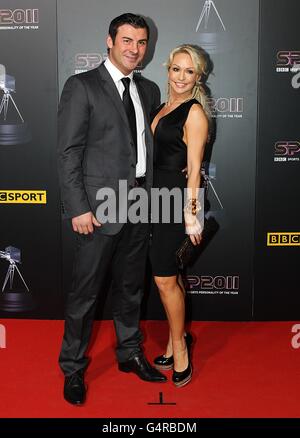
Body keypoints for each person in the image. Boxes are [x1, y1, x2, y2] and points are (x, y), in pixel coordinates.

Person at [57, 13, 166, 406]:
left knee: (130, 288)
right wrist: (78, 208)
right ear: (109, 41)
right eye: (127, 41)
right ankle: (72, 367)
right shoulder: (82, 86)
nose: (134, 49)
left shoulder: (149, 90)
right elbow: (69, 152)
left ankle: (129, 352)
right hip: (98, 208)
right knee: (85, 294)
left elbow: (149, 147)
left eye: (141, 42)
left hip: (139, 202)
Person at [149, 44, 210, 387]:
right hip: (150, 200)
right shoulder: (161, 107)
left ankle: (180, 348)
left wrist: (192, 215)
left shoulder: (194, 113)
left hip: (173, 202)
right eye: (177, 69)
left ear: (198, 77)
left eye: (190, 71)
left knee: (165, 278)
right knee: (167, 279)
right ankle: (178, 340)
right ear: (168, 69)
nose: (182, 77)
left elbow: (195, 168)